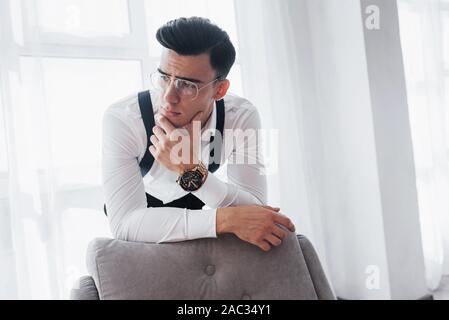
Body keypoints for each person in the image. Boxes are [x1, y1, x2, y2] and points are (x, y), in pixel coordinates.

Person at [102, 17, 295, 252]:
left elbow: (256, 209)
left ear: (220, 89)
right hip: (142, 211)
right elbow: (125, 224)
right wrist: (224, 220)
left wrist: (191, 170)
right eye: (164, 77)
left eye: (186, 85)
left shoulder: (239, 117)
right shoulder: (125, 120)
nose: (168, 97)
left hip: (200, 201)